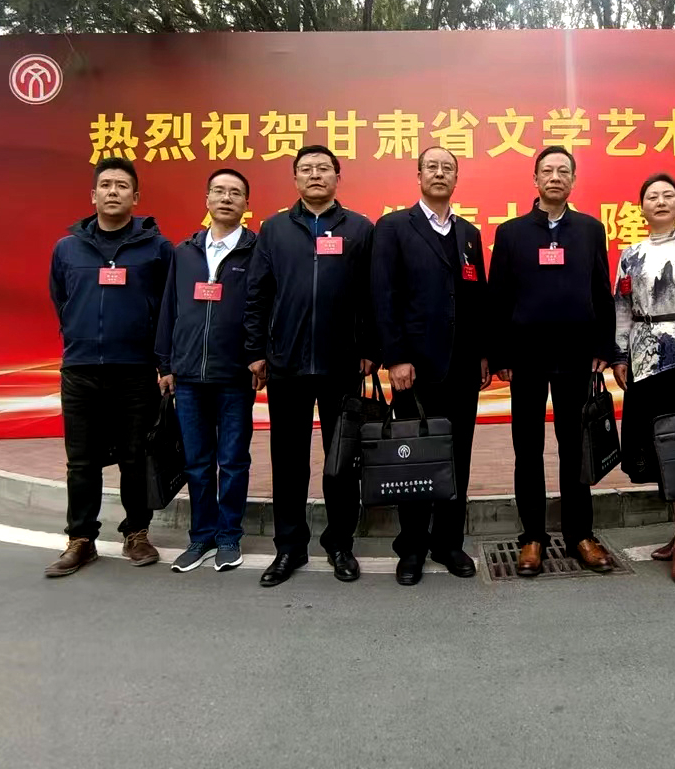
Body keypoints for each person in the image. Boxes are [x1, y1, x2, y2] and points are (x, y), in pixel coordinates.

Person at [244, 145, 376, 587]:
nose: (315, 175)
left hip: (342, 364)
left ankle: (340, 544)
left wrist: (369, 347)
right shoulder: (274, 229)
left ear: (338, 177)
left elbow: (371, 295)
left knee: (342, 462)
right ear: (295, 179)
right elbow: (258, 294)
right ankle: (289, 547)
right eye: (306, 169)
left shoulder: (359, 228)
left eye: (323, 168)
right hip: (287, 363)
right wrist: (256, 351)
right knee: (288, 461)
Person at [488, 146, 617, 577]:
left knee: (574, 447)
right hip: (525, 357)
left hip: (577, 355)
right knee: (527, 448)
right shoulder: (511, 233)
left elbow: (601, 290)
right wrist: (500, 353)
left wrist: (604, 346)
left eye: (564, 171)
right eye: (548, 170)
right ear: (535, 179)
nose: (555, 177)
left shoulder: (590, 229)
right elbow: (498, 296)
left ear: (573, 180)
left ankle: (580, 534)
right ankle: (532, 537)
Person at [44, 156, 173, 578]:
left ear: (136, 197)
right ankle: (81, 539)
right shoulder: (67, 249)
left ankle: (137, 532)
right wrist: (79, 336)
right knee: (81, 461)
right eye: (106, 184)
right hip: (80, 370)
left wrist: (163, 363)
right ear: (93, 195)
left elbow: (168, 308)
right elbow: (61, 299)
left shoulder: (157, 249)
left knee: (135, 458)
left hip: (135, 370)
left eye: (121, 185)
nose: (113, 191)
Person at [371, 146, 491, 586]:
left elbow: (476, 299)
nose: (440, 174)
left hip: (462, 367)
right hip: (415, 369)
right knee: (415, 457)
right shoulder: (393, 227)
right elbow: (383, 295)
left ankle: (449, 542)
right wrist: (396, 357)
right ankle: (412, 547)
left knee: (458, 456)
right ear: (418, 175)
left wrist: (483, 354)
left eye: (448, 168)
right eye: (432, 167)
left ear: (456, 178)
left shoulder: (469, 234)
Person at [611, 174, 675, 584]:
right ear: (641, 207)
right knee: (655, 452)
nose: (659, 201)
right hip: (641, 362)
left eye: (668, 195)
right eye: (651, 196)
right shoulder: (630, 254)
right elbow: (621, 307)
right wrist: (620, 354)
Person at [156, 168, 259, 573]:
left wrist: (258, 356)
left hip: (235, 375)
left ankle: (229, 536)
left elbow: (264, 310)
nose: (226, 198)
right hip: (187, 377)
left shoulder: (257, 251)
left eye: (235, 193)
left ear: (247, 203)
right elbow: (169, 308)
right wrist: (165, 363)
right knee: (197, 463)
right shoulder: (184, 252)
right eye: (219, 191)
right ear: (207, 199)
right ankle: (201, 536)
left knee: (232, 461)